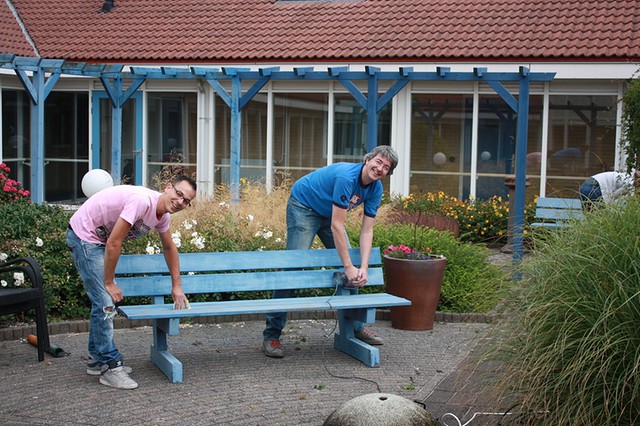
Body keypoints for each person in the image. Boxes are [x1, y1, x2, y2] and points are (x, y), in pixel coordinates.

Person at [262, 145, 399, 358]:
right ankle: (272, 334)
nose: (380, 168)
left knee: (353, 266)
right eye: (378, 162)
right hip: (304, 206)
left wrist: (361, 267)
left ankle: (355, 327)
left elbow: (367, 230)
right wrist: (348, 266)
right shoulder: (347, 178)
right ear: (368, 160)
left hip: (330, 213)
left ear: (387, 174)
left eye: (386, 167)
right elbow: (337, 225)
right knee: (293, 269)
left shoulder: (376, 189)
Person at [66, 175, 196, 389]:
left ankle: (96, 358)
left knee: (102, 303)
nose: (180, 202)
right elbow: (114, 242)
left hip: (98, 241)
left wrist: (177, 285)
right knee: (105, 302)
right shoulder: (142, 201)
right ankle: (110, 365)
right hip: (85, 236)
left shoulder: (162, 216)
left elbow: (169, 248)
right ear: (167, 187)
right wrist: (108, 282)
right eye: (179, 194)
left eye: (186, 201)